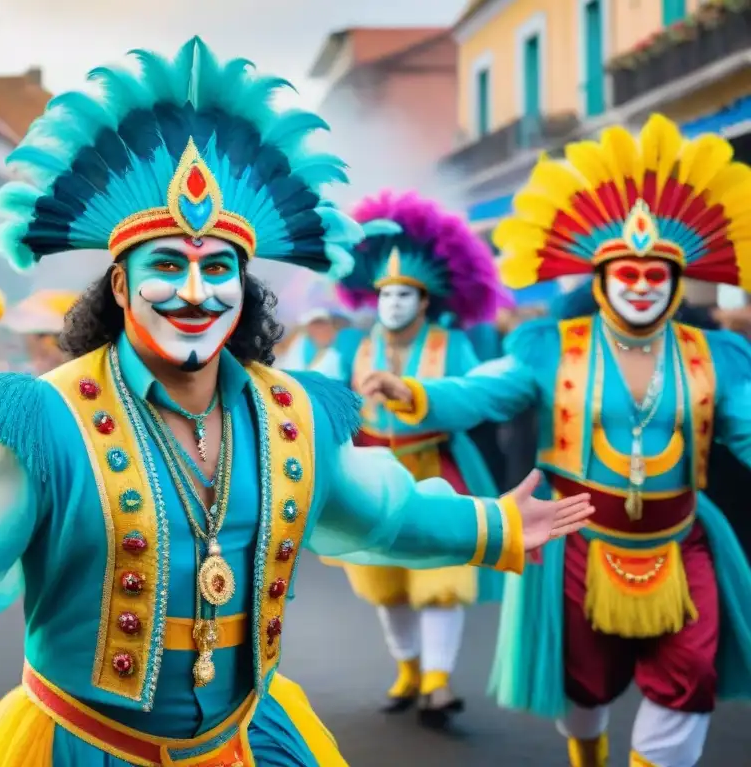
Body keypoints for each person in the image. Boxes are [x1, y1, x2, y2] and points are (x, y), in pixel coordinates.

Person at [0, 38, 592, 765]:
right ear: (120, 286)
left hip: (246, 740)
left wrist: (493, 524)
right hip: (86, 745)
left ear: (242, 290)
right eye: (166, 266)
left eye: (217, 268)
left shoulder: (290, 414)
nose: (194, 291)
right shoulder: (43, 419)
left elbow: (381, 512)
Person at [362, 114, 751, 767]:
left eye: (655, 274)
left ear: (676, 281)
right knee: (582, 688)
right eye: (626, 273)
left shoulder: (714, 356)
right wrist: (415, 392)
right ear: (601, 280)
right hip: (577, 542)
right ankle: (587, 753)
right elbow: (484, 391)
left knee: (689, 680)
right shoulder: (552, 348)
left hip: (682, 542)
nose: (640, 286)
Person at [326, 189, 509, 723]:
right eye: (385, 293)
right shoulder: (351, 346)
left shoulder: (454, 346)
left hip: (435, 469)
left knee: (441, 579)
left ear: (426, 302)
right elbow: (321, 397)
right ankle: (408, 670)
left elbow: (474, 401)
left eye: (405, 294)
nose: (393, 303)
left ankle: (438, 682)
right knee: (385, 581)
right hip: (370, 474)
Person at [275, 308, 347, 380]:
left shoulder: (334, 357)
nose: (321, 330)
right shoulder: (298, 338)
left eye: (324, 326)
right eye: (317, 326)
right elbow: (279, 348)